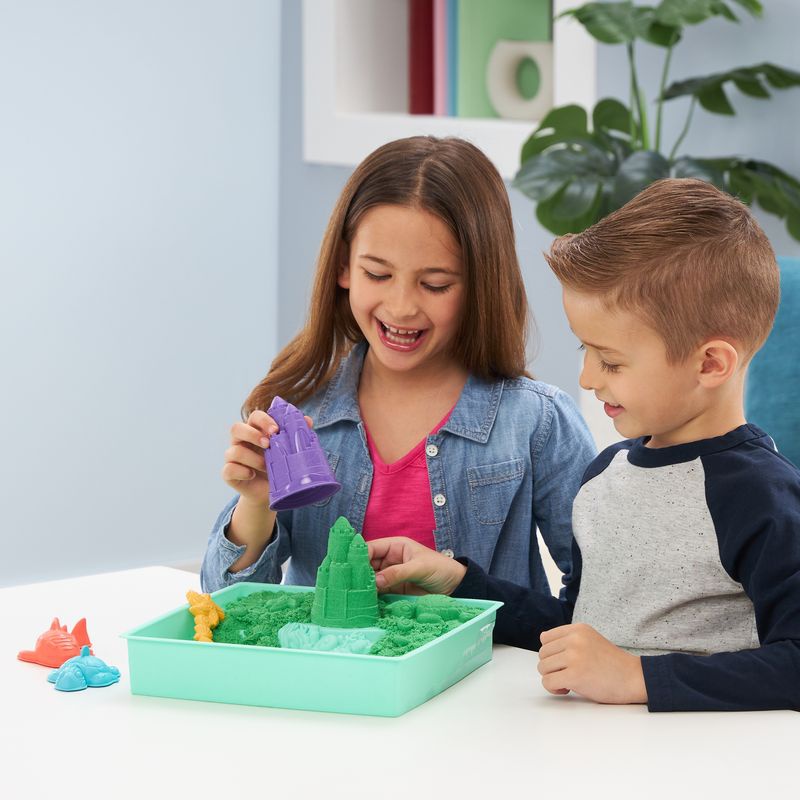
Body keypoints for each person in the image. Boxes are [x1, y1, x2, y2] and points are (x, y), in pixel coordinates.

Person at [367, 178, 800, 713]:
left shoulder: (759, 495)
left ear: (711, 364)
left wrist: (639, 677)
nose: (589, 378)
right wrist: (458, 583)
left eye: (612, 360)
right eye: (585, 350)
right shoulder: (606, 475)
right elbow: (578, 627)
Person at [200, 136, 596, 596]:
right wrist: (256, 504)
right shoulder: (304, 412)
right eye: (378, 274)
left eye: (435, 283)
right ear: (344, 266)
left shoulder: (535, 422)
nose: (402, 306)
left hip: (483, 669)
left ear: (480, 286)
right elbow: (228, 603)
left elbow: (606, 591)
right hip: (331, 667)